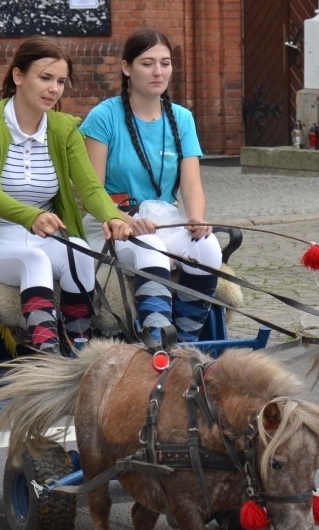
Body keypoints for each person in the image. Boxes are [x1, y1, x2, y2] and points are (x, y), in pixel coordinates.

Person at [0, 37, 134, 355]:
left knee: (82, 252)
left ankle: (79, 348)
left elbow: (91, 187)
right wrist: (32, 216)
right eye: (45, 78)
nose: (54, 89)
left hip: (44, 236)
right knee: (35, 260)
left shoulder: (64, 128)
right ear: (18, 76)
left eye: (61, 81)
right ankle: (48, 355)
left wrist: (113, 216)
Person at [82, 28, 220, 344]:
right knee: (152, 248)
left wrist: (197, 218)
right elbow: (92, 190)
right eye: (147, 63)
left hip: (164, 219)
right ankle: (156, 344)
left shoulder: (182, 119)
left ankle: (184, 344)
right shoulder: (103, 116)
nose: (158, 71)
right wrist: (123, 220)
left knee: (208, 248)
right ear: (126, 68)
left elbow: (191, 186)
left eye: (165, 63)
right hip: (112, 221)